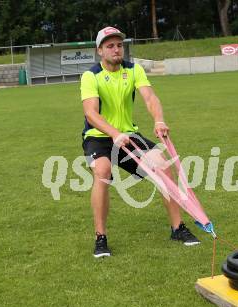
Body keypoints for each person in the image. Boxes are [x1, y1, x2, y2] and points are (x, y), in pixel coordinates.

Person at [80, 26, 200, 258]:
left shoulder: (133, 70)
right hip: (98, 137)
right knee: (102, 171)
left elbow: (150, 97)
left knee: (163, 166)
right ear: (99, 51)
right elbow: (91, 115)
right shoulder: (90, 76)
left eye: (119, 45)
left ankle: (177, 228)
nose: (116, 49)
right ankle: (100, 237)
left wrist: (159, 120)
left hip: (129, 136)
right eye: (110, 46)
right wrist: (114, 133)